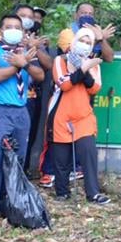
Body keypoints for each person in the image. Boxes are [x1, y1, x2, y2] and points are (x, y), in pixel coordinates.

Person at [0, 14, 45, 227]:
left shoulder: (25, 54)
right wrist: (17, 65)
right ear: (0, 31)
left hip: (21, 111)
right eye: (9, 26)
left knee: (17, 159)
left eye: (17, 27)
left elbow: (40, 75)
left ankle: (8, 202)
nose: (14, 30)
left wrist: (24, 63)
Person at [47, 27, 111, 204]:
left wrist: (84, 70)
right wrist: (83, 69)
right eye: (82, 40)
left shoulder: (94, 63)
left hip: (84, 117)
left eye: (89, 42)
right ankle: (62, 192)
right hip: (60, 116)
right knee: (61, 160)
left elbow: (94, 88)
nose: (84, 44)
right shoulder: (60, 60)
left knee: (88, 154)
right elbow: (64, 84)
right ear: (74, 41)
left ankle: (93, 193)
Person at [12, 4, 53, 174]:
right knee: (9, 140)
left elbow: (47, 66)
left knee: (28, 137)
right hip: (9, 97)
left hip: (32, 95)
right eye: (28, 16)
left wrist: (33, 46)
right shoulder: (5, 37)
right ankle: (8, 176)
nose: (33, 21)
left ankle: (23, 173)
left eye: (37, 18)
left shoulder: (36, 41)